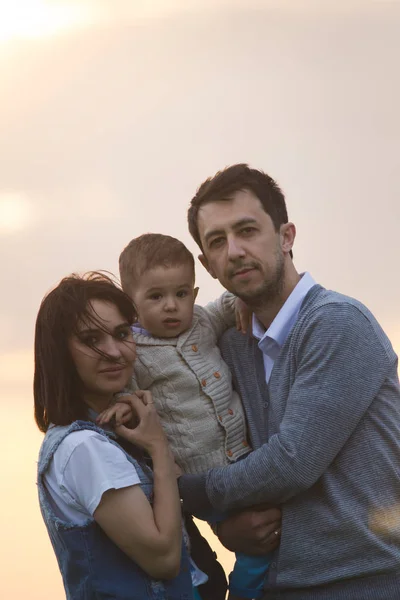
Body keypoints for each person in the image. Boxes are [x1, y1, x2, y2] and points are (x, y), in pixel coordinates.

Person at [177, 163, 400, 599]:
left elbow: (291, 462)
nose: (235, 250)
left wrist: (189, 494)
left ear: (286, 236)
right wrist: (224, 525)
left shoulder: (337, 323)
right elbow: (203, 440)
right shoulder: (230, 345)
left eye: (247, 230)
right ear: (206, 263)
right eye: (217, 241)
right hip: (274, 587)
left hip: (364, 583)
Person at [99, 232, 278, 600]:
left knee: (261, 550)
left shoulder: (201, 322)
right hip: (193, 479)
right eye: (156, 296)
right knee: (187, 556)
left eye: (181, 294)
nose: (171, 306)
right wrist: (121, 404)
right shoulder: (137, 350)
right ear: (130, 305)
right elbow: (126, 388)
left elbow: (226, 305)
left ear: (194, 296)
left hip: (240, 463)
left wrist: (242, 302)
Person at [34, 272, 197, 600]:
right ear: (60, 353)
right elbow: (164, 560)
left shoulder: (108, 434)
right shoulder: (83, 447)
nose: (114, 352)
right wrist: (159, 447)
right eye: (92, 340)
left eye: (122, 333)